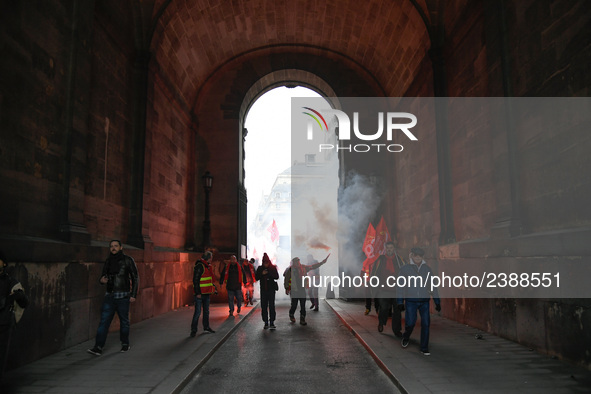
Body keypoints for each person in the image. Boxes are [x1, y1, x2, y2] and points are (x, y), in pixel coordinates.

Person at [88, 240, 139, 356]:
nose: (113, 248)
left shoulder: (128, 260)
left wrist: (133, 294)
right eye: (111, 246)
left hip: (123, 296)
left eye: (116, 246)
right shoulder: (108, 261)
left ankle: (125, 344)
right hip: (110, 296)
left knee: (124, 322)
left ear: (121, 247)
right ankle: (98, 347)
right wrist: (101, 280)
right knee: (104, 322)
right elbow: (103, 276)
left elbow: (135, 277)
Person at [397, 247, 441, 356]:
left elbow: (433, 286)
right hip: (411, 301)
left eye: (420, 255)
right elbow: (400, 286)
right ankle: (406, 336)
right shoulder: (405, 269)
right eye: (415, 255)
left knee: (426, 324)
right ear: (411, 255)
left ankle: (424, 347)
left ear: (422, 257)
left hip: (424, 301)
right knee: (410, 323)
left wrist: (437, 301)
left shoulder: (427, 269)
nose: (417, 257)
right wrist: (399, 302)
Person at [0, 251, 28, 381]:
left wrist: (19, 296)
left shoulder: (11, 282)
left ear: (4, 263)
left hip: (3, 324)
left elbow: (23, 303)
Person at [283, 254, 329, 325]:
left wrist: (321, 263)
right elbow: (286, 279)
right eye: (296, 262)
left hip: (301, 289)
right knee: (294, 305)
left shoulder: (303, 268)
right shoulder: (290, 269)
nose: (298, 263)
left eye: (298, 261)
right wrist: (286, 288)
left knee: (303, 305)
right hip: (294, 290)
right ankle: (291, 314)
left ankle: (302, 319)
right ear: (294, 262)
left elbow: (313, 266)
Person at [370, 241, 405, 336]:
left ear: (394, 249)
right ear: (385, 249)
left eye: (391, 248)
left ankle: (397, 330)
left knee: (397, 310)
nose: (389, 250)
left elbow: (405, 272)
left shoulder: (399, 260)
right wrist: (373, 287)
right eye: (388, 248)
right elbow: (374, 273)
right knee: (384, 308)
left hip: (397, 290)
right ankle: (381, 322)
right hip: (383, 290)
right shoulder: (380, 260)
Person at [190, 251, 217, 337]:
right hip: (200, 294)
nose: (212, 259)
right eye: (211, 258)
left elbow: (208, 280)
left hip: (206, 293)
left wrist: (213, 289)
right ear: (208, 258)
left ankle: (206, 327)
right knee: (197, 312)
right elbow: (196, 280)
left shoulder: (207, 266)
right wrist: (198, 293)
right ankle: (193, 330)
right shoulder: (200, 266)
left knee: (206, 312)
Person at [255, 253, 279, 329]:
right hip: (263, 290)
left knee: (272, 305)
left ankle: (272, 321)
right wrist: (262, 274)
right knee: (264, 306)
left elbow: (276, 276)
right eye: (265, 263)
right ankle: (265, 321)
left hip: (271, 289)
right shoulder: (260, 268)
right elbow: (256, 278)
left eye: (267, 263)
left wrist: (269, 273)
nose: (266, 264)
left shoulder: (272, 268)